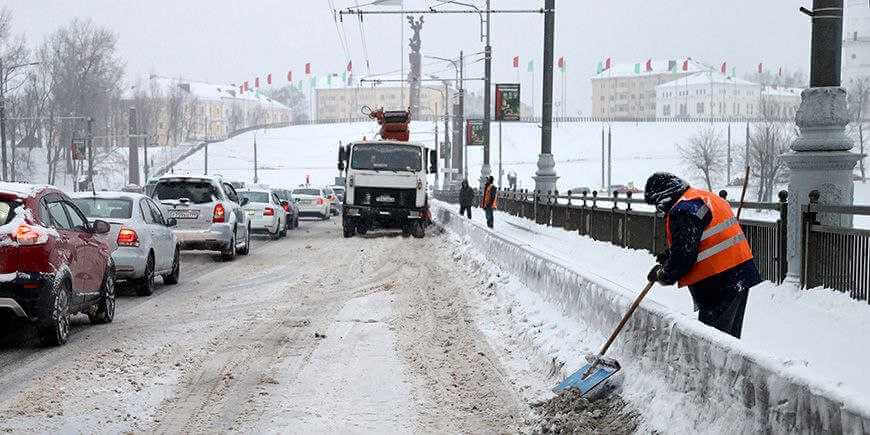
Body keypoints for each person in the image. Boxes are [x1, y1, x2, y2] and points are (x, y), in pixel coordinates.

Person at [644, 172, 760, 339]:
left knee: (713, 343)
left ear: (666, 196)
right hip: (739, 273)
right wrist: (671, 255)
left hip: (719, 282)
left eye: (659, 205)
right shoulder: (705, 197)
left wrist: (664, 273)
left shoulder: (684, 208)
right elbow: (702, 238)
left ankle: (716, 366)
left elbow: (684, 256)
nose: (660, 210)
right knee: (729, 342)